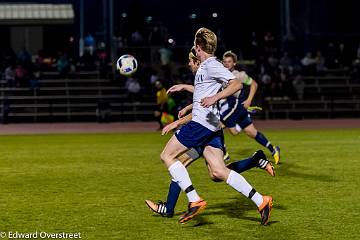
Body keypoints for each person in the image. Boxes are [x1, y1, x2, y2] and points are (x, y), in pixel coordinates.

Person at [157, 28, 273, 225]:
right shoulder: (205, 67)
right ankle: (261, 201)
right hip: (211, 125)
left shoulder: (211, 64)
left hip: (201, 124)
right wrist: (186, 89)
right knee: (218, 172)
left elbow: (236, 84)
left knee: (167, 156)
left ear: (199, 46)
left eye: (195, 44)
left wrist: (215, 98)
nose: (193, 48)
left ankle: (194, 199)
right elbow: (205, 89)